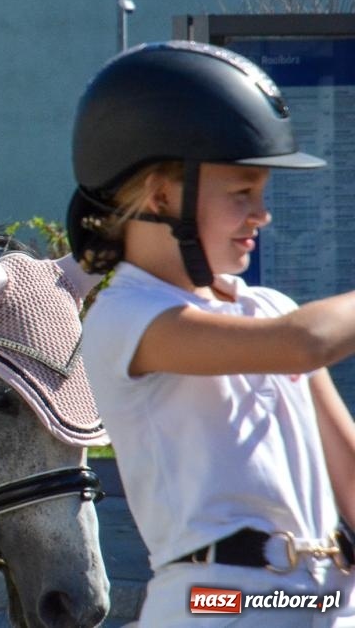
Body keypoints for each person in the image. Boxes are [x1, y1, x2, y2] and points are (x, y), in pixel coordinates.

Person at [73, 42, 355, 627]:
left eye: (261, 194)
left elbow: (349, 472)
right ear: (160, 196)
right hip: (216, 601)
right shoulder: (126, 316)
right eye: (241, 193)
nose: (262, 214)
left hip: (325, 596)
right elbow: (301, 344)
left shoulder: (269, 307)